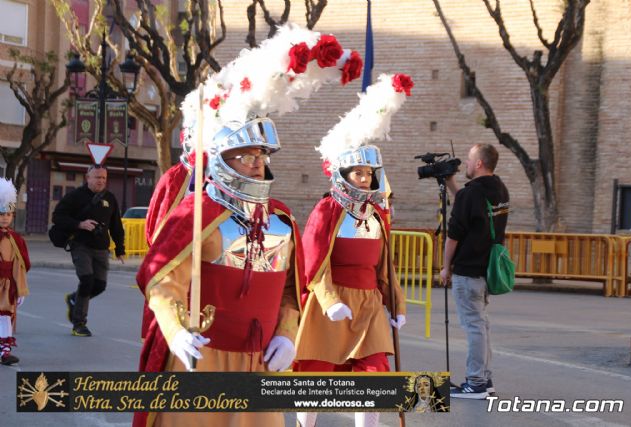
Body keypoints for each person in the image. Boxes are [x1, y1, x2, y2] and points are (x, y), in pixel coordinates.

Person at [133, 24, 363, 427]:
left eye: (261, 153)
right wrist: (174, 330)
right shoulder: (197, 213)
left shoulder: (281, 219)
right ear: (222, 159)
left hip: (259, 364)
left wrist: (288, 335)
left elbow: (292, 294)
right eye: (246, 155)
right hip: (203, 358)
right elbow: (161, 283)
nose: (258, 162)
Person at [295, 73, 412, 427]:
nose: (365, 179)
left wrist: (396, 302)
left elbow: (385, 266)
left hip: (369, 303)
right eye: (358, 173)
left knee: (373, 373)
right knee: (315, 374)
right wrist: (330, 302)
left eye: (368, 173)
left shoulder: (378, 214)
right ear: (343, 173)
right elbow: (313, 261)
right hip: (331, 302)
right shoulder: (327, 209)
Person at [439, 143, 510, 399]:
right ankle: (484, 379)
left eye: (469, 160)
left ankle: (476, 383)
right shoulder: (499, 188)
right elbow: (470, 207)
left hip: (468, 270)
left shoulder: (472, 194)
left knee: (474, 327)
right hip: (486, 269)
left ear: (479, 163)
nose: (465, 165)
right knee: (481, 325)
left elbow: (453, 235)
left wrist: (446, 267)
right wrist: (451, 185)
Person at [52, 165, 125, 337]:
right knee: (86, 280)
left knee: (99, 286)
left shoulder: (110, 198)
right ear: (88, 178)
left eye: (104, 178)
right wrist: (80, 224)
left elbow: (116, 226)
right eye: (97, 177)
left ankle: (73, 299)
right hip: (80, 245)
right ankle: (79, 324)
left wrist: (120, 249)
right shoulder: (75, 196)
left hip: (101, 248)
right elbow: (58, 217)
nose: (101, 181)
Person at [0, 179, 30, 365]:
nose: (5, 217)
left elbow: (21, 265)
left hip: (8, 284)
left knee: (5, 315)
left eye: (9, 214)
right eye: (1, 214)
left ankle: (5, 350)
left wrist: (21, 289)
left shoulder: (16, 239)